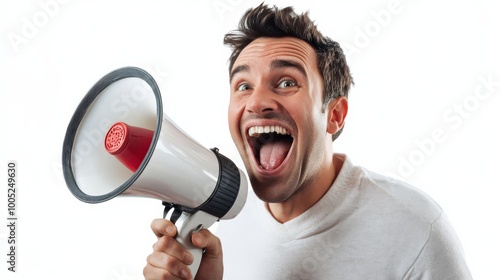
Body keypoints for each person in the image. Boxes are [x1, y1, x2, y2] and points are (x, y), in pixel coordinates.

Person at [143, 3, 472, 280]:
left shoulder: (416, 229)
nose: (257, 103)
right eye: (243, 86)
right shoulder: (220, 225)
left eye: (286, 82)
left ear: (335, 115)